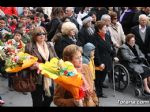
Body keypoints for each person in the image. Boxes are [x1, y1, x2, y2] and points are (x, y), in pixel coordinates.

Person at [25, 26, 57, 107]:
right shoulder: (29, 46)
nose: (42, 35)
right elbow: (25, 63)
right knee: (37, 101)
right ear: (34, 36)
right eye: (39, 34)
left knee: (49, 98)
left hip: (48, 76)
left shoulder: (49, 45)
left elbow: (55, 58)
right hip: (36, 78)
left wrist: (57, 64)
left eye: (44, 33)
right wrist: (32, 66)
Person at [93, 20, 117, 98]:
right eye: (104, 27)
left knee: (102, 77)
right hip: (100, 61)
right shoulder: (94, 37)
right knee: (98, 78)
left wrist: (114, 55)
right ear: (99, 29)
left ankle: (99, 90)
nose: (106, 28)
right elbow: (95, 52)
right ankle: (98, 93)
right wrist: (99, 63)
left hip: (107, 59)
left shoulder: (107, 36)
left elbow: (110, 46)